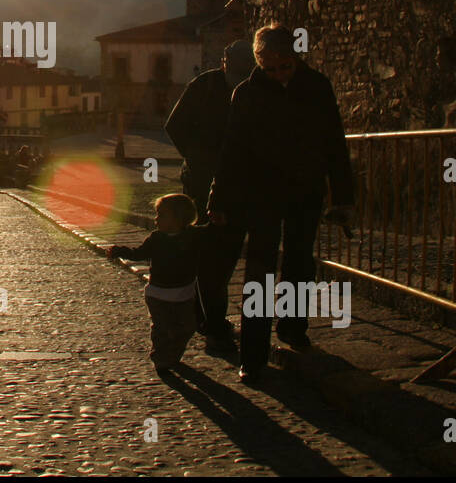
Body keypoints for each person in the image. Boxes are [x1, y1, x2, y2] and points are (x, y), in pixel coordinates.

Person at [209, 24, 353, 384]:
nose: (278, 75)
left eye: (285, 67)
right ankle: (253, 355)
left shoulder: (317, 87)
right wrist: (219, 196)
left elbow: (335, 144)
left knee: (299, 262)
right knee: (259, 273)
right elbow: (232, 150)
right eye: (270, 69)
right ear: (259, 63)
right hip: (260, 196)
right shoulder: (246, 94)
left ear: (296, 58)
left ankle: (291, 326)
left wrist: (344, 196)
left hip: (305, 192)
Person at [164, 40, 256, 354]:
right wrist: (198, 161)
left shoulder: (248, 89)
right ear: (225, 62)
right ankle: (213, 324)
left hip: (237, 185)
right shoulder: (204, 86)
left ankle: (206, 317)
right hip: (204, 186)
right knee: (216, 254)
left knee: (220, 255)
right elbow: (174, 125)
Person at [107, 193, 206, 371]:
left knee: (186, 327)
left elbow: (212, 232)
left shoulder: (193, 236)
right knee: (162, 328)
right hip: (158, 293)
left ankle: (173, 355)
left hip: (184, 294)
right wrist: (120, 251)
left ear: (179, 218)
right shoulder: (156, 239)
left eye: (162, 215)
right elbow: (139, 253)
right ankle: (160, 357)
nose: (156, 219)